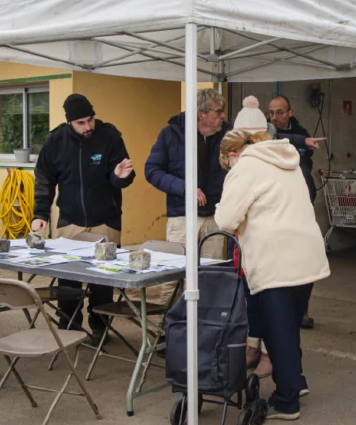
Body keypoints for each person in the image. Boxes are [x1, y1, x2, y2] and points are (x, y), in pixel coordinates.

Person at [215, 129, 330, 420]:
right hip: (306, 256)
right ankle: (297, 382)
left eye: (227, 165)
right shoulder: (287, 161)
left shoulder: (246, 168)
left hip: (275, 258)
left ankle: (286, 401)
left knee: (277, 332)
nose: (229, 169)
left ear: (232, 155)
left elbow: (226, 219)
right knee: (289, 326)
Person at [31, 93, 135, 342]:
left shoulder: (109, 136)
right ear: (69, 122)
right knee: (69, 279)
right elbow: (44, 178)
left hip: (105, 218)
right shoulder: (55, 141)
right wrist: (40, 213)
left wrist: (121, 176)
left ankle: (100, 328)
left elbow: (123, 176)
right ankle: (69, 326)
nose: (88, 127)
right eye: (81, 123)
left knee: (102, 278)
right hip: (70, 219)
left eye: (90, 120)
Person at [145, 88, 229, 263]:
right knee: (173, 276)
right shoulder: (170, 134)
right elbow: (152, 170)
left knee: (212, 274)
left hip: (216, 216)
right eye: (219, 111)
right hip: (182, 216)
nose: (223, 116)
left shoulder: (229, 134)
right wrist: (185, 188)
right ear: (201, 115)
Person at [268, 95, 325, 330]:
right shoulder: (266, 131)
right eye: (271, 112)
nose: (274, 117)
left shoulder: (302, 131)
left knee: (302, 260)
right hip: (275, 209)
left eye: (279, 112)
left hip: (299, 208)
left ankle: (301, 310)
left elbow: (303, 162)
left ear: (290, 112)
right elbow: (273, 139)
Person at [231, 96, 276, 378]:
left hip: (269, 243)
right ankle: (252, 346)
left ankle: (271, 354)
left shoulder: (275, 162)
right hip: (245, 241)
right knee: (251, 298)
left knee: (271, 301)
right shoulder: (238, 162)